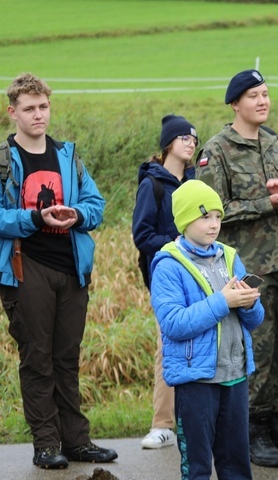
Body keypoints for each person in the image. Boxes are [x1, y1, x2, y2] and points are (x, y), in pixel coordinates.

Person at [196, 69, 278, 467]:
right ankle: (252, 428)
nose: (263, 101)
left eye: (266, 94)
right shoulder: (218, 150)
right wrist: (268, 204)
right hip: (251, 269)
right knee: (258, 349)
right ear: (235, 104)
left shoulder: (273, 143)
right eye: (253, 96)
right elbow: (213, 213)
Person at [0, 73, 115, 468]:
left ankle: (76, 441)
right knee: (37, 358)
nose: (38, 115)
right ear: (12, 112)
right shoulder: (2, 159)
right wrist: (34, 217)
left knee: (67, 356)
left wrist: (76, 213)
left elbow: (96, 206)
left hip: (71, 268)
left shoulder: (68, 155)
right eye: (29, 109)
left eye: (43, 106)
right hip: (25, 268)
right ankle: (46, 445)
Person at [150, 179, 265, 479]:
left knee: (237, 465)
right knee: (198, 466)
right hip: (196, 380)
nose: (214, 224)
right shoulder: (168, 265)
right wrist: (223, 301)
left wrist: (250, 304)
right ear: (185, 220)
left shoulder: (229, 256)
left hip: (235, 375)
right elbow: (173, 324)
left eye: (217, 216)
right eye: (204, 216)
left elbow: (254, 321)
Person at [132, 114, 198, 449]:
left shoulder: (198, 183)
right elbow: (142, 235)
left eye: (194, 138)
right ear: (168, 143)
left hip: (200, 278)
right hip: (167, 278)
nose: (190, 142)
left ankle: (197, 422)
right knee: (168, 347)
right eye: (184, 137)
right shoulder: (153, 184)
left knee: (202, 347)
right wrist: (178, 244)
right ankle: (163, 425)